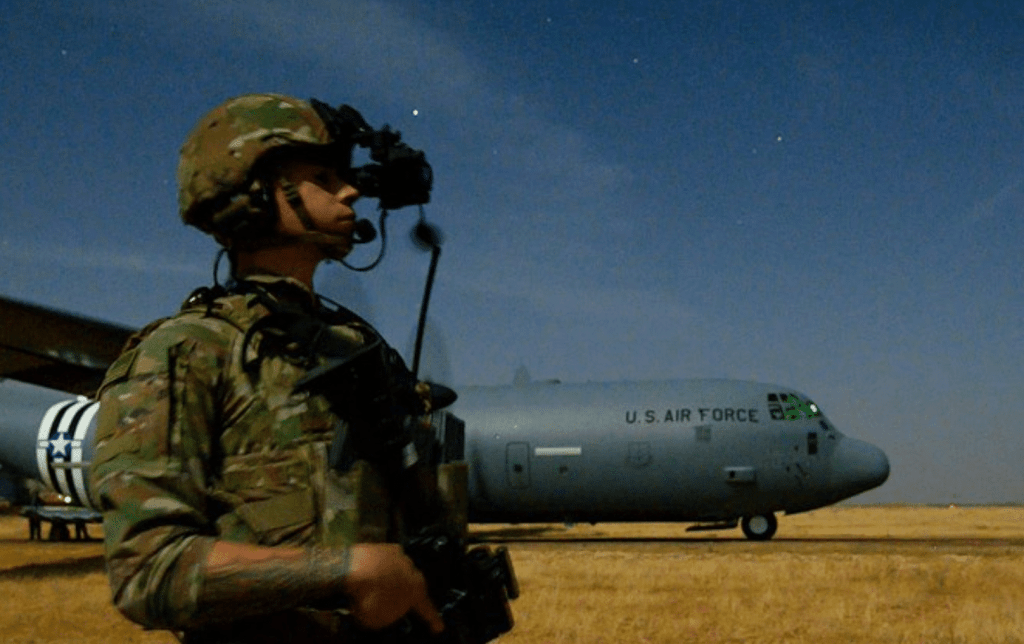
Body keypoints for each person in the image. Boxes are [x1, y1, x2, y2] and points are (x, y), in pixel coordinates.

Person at [88, 93, 446, 643]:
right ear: (253, 194)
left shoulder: (355, 347)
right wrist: (343, 572)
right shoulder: (188, 352)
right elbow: (148, 571)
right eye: (324, 179)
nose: (351, 191)